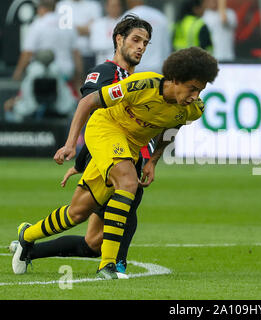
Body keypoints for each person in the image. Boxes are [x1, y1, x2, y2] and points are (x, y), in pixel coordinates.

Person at [13, 46, 219, 280]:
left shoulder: (192, 110)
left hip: (128, 146)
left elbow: (173, 127)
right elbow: (88, 102)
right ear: (175, 79)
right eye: (192, 88)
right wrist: (71, 144)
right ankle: (108, 265)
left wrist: (153, 160)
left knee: (77, 212)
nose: (195, 96)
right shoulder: (143, 85)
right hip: (105, 128)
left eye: (200, 91)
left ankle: (27, 235)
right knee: (128, 182)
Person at [10, 15, 154, 275]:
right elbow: (91, 111)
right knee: (124, 197)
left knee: (92, 238)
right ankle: (115, 265)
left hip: (120, 155)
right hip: (108, 158)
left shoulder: (137, 81)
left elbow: (129, 126)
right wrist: (72, 148)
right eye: (136, 40)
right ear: (119, 39)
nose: (141, 46)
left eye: (145, 42)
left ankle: (27, 241)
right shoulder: (106, 72)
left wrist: (149, 159)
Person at [12, 0, 83, 85]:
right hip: (66, 73)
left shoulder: (38, 24)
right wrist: (79, 76)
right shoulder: (68, 25)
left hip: (44, 73)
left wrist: (18, 72)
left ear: (41, 9)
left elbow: (28, 52)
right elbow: (76, 53)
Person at [56, 0, 103, 77]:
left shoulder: (94, 5)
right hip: (67, 55)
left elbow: (96, 29)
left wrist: (71, 27)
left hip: (89, 53)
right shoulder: (62, 5)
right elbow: (62, 29)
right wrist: (85, 28)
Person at [124, 0, 171, 73]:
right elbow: (166, 45)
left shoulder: (129, 16)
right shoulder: (160, 16)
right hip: (157, 68)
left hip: (135, 68)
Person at [89, 0, 124, 65]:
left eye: (117, 6)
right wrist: (118, 43)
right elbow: (94, 46)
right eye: (113, 6)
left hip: (122, 64)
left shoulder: (126, 23)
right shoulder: (98, 23)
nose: (115, 8)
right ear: (107, 7)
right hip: (102, 63)